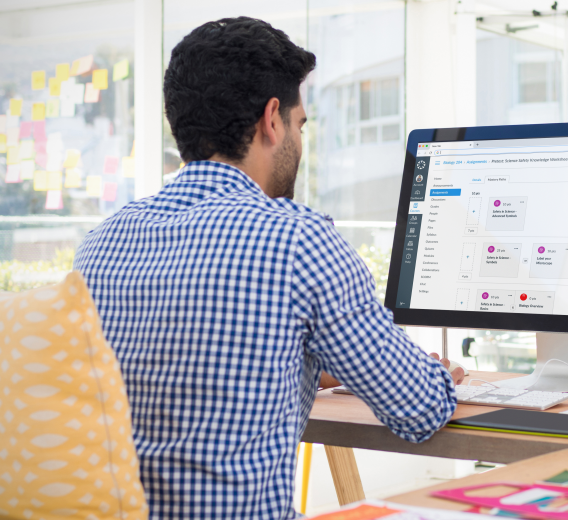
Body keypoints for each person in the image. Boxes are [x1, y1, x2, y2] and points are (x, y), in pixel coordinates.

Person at [74, 16, 463, 520]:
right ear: (272, 118)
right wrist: (440, 375)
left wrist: (305, 361)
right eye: (301, 125)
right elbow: (418, 409)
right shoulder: (299, 240)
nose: (299, 141)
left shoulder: (101, 243)